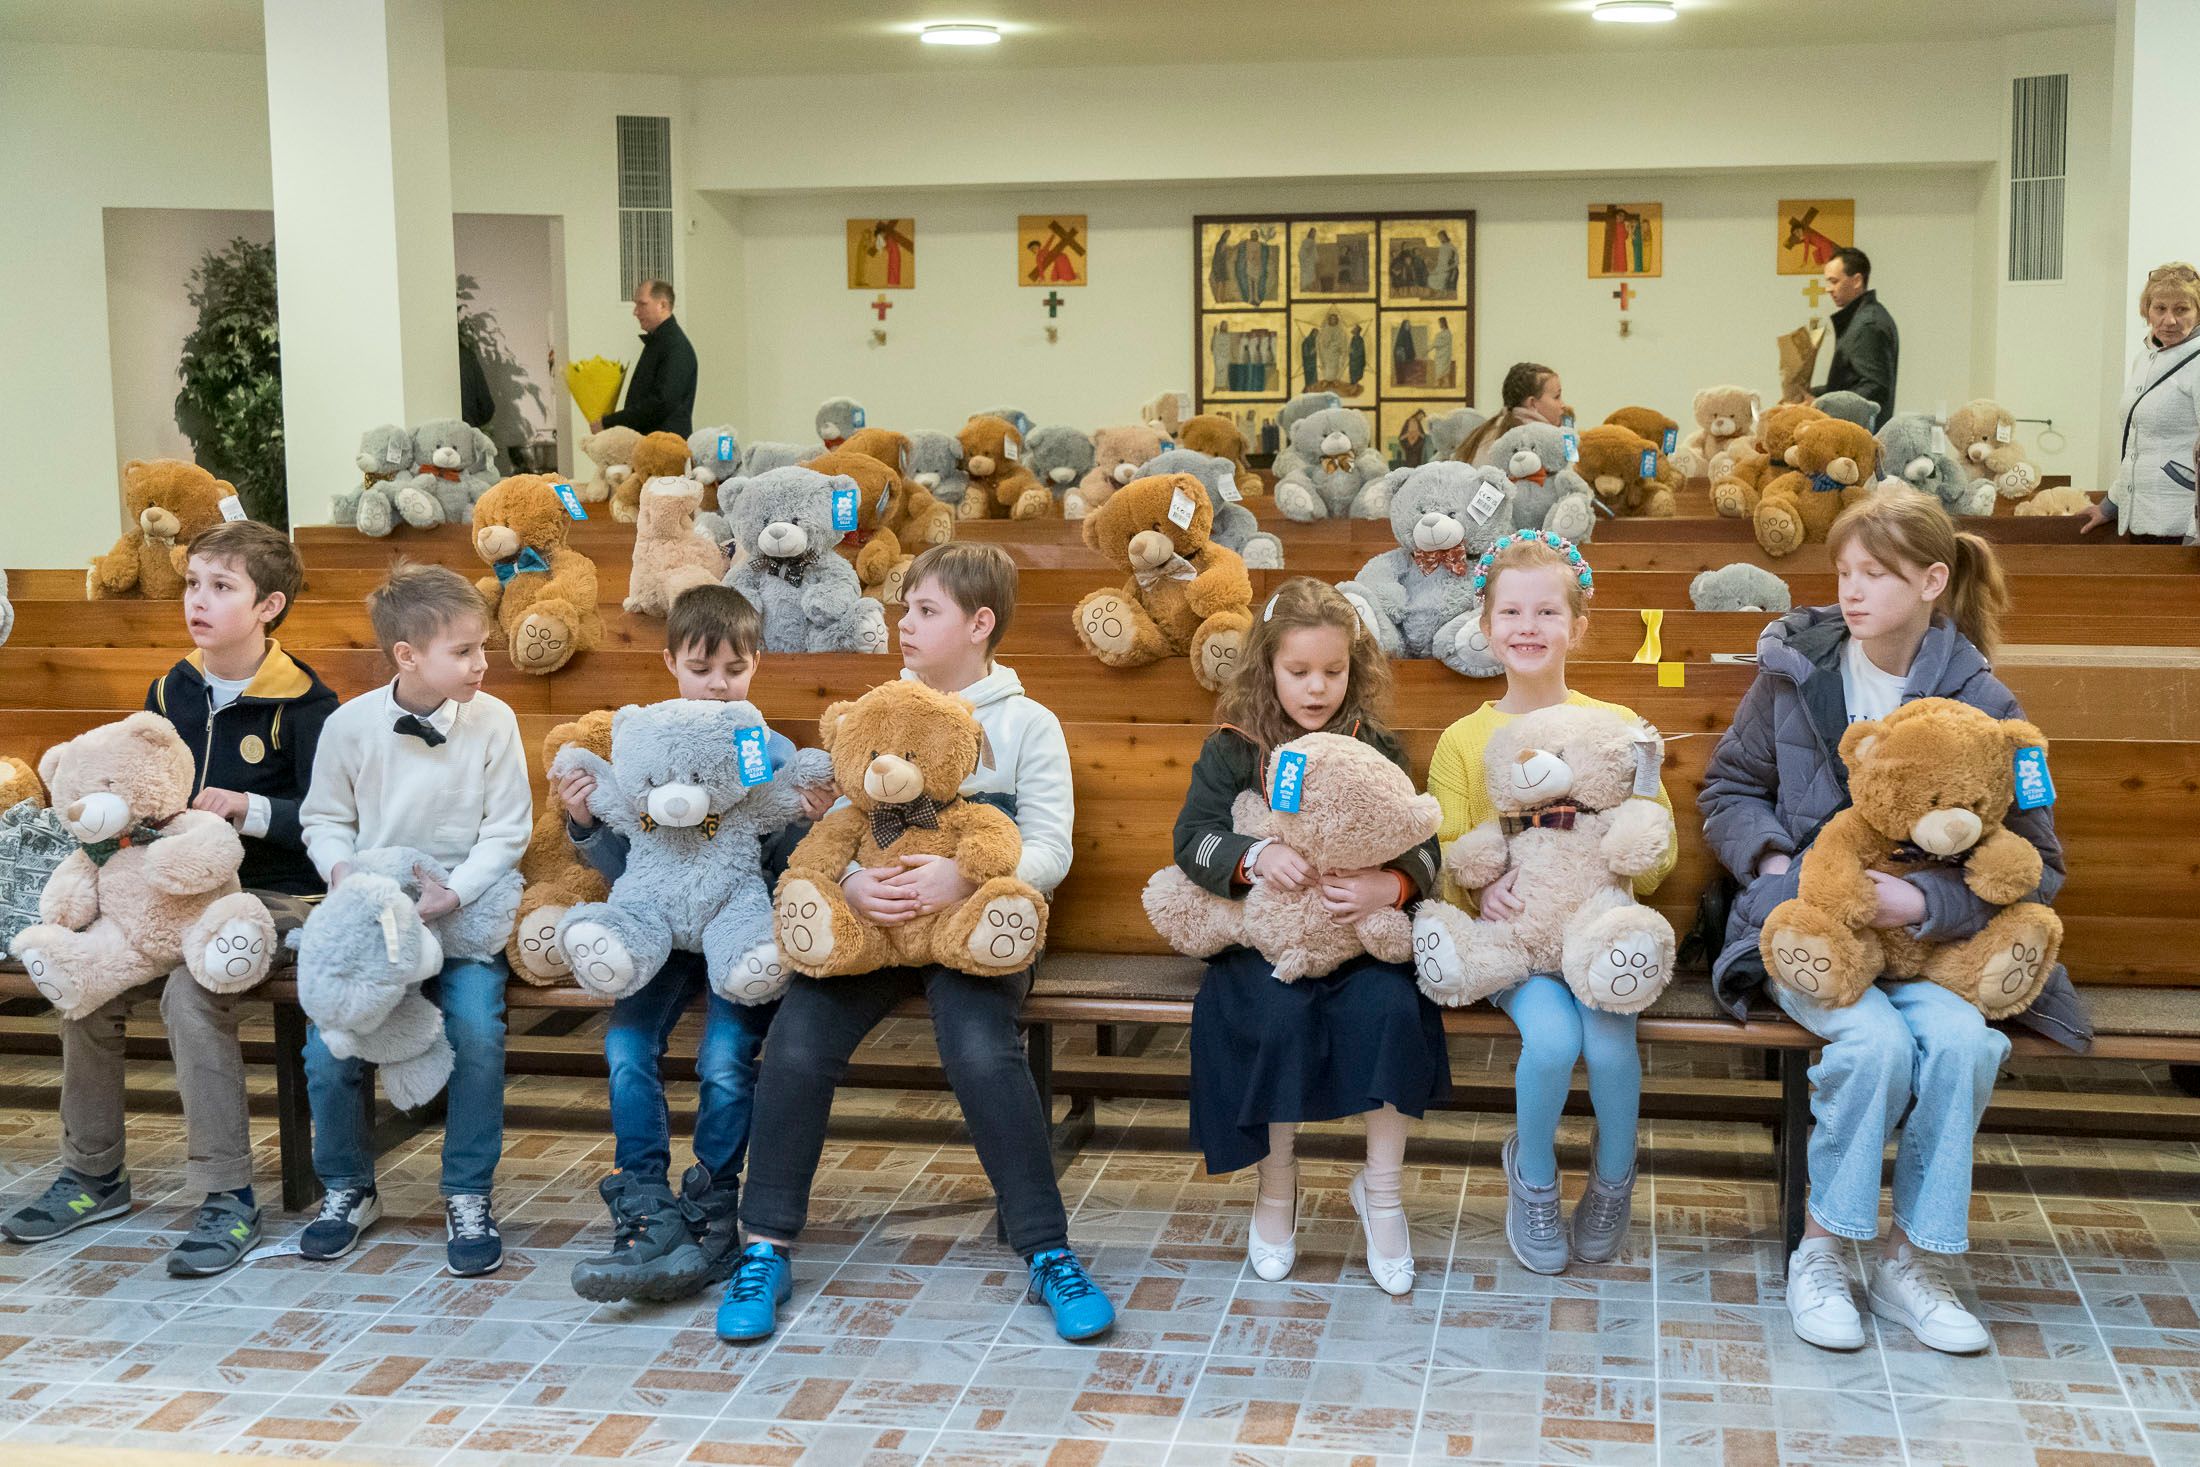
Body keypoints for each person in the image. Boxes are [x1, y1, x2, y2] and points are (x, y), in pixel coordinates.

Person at [1699, 493, 2082, 1358]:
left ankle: (1914, 1264)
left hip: (1934, 953)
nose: (1853, 590)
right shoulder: (1794, 669)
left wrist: (1928, 903)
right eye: (1844, 572)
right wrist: (1779, 869)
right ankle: (1823, 1250)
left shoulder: (1986, 699)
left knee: (1963, 1045)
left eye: (1875, 574)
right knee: (1871, 1046)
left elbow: (2039, 862)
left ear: (1933, 581)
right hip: (1819, 935)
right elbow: (1728, 790)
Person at [722, 543, 1116, 1345]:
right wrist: (850, 889)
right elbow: (842, 827)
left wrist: (965, 882)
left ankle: (1048, 1250)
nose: (904, 624)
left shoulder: (1027, 722)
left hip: (975, 929)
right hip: (877, 923)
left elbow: (1052, 846)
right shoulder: (882, 710)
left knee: (980, 1048)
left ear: (979, 623)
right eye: (905, 608)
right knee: (796, 1043)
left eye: (925, 610)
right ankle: (763, 1244)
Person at [0, 522, 336, 1276]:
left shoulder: (307, 702)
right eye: (193, 584)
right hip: (156, 894)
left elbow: (328, 824)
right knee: (83, 982)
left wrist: (246, 811)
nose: (200, 600)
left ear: (269, 605)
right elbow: (133, 787)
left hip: (270, 895)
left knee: (191, 992)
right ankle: (94, 1174)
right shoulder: (167, 690)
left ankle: (226, 1195)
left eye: (223, 587)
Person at [558, 585, 834, 1302]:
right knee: (626, 1047)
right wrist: (589, 825)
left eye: (734, 669)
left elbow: (776, 864)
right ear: (670, 660)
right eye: (702, 666)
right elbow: (630, 867)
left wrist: (807, 819)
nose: (718, 684)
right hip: (651, 932)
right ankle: (644, 1195)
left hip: (734, 931)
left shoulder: (765, 751)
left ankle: (713, 1202)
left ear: (756, 665)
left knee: (724, 1057)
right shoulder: (644, 744)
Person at [1173, 578, 1447, 1295]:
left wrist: (1388, 887)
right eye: (1299, 672)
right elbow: (1192, 838)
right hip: (1265, 944)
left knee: (1392, 1010)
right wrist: (1255, 856)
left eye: (1334, 670)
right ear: (1268, 666)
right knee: (1273, 1017)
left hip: (1357, 939)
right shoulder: (1234, 747)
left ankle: (1381, 1195)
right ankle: (1276, 1187)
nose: (1318, 687)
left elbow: (1421, 838)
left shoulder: (1373, 744)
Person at [1423, 536, 1675, 1275]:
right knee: (1556, 1039)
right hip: (1516, 939)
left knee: (1608, 1043)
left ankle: (1612, 1177)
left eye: (1546, 610)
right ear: (1487, 623)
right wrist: (1480, 884)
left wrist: (1626, 855)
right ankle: (1532, 1175)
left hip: (1599, 934)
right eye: (1511, 610)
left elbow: (1658, 858)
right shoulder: (1464, 739)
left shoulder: (1615, 724)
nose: (1527, 625)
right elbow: (1441, 850)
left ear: (1577, 625)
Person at [296, 563, 532, 1276]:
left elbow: (508, 830)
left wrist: (454, 893)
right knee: (330, 1045)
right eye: (462, 651)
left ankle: (467, 1190)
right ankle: (346, 1185)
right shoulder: (350, 725)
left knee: (476, 1030)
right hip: (376, 915)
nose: (481, 663)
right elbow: (325, 818)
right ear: (407, 655)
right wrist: (344, 872)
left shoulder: (496, 722)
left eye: (480, 647)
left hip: (461, 910)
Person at [2082, 261, 2200, 543]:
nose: (2169, 320)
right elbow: (2140, 444)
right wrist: (2110, 505)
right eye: (2160, 308)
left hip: (2183, 525)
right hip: (2142, 517)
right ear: (2147, 310)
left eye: (2181, 309)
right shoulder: (2145, 358)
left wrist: (2195, 533)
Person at [593, 278, 697, 439]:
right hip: (654, 446)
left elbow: (661, 403)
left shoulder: (675, 346)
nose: (635, 312)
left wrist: (609, 423)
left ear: (662, 305)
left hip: (665, 450)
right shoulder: (660, 343)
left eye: (642, 304)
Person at [1812, 247, 1899, 422]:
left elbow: (1874, 387)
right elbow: (1848, 384)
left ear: (1857, 281)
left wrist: (1821, 405)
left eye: (1834, 281)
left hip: (1859, 437)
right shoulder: (1860, 320)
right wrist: (1812, 395)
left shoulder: (1868, 325)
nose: (1828, 289)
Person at [1456, 362, 1567, 465]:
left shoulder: (1489, 430)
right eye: (1556, 397)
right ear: (1532, 403)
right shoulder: (1536, 442)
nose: (1562, 405)